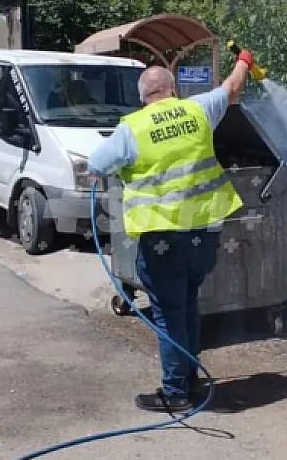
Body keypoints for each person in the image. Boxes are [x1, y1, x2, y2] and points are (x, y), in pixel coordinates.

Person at [88, 49, 257, 413]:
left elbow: (97, 164)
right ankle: (190, 377)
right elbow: (231, 87)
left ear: (143, 97)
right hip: (204, 235)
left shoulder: (132, 127)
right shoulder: (198, 109)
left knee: (168, 311)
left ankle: (176, 391)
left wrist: (104, 170)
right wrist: (243, 59)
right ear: (173, 89)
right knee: (188, 304)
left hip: (163, 238)